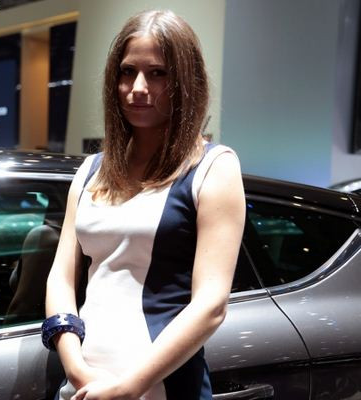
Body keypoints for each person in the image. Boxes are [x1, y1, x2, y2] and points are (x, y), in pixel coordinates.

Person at [43, 10, 246, 400]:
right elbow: (61, 278)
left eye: (157, 73)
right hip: (83, 387)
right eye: (127, 72)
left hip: (161, 389)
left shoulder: (213, 168)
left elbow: (211, 305)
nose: (137, 88)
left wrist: (128, 388)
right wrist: (76, 368)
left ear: (185, 81)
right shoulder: (90, 170)